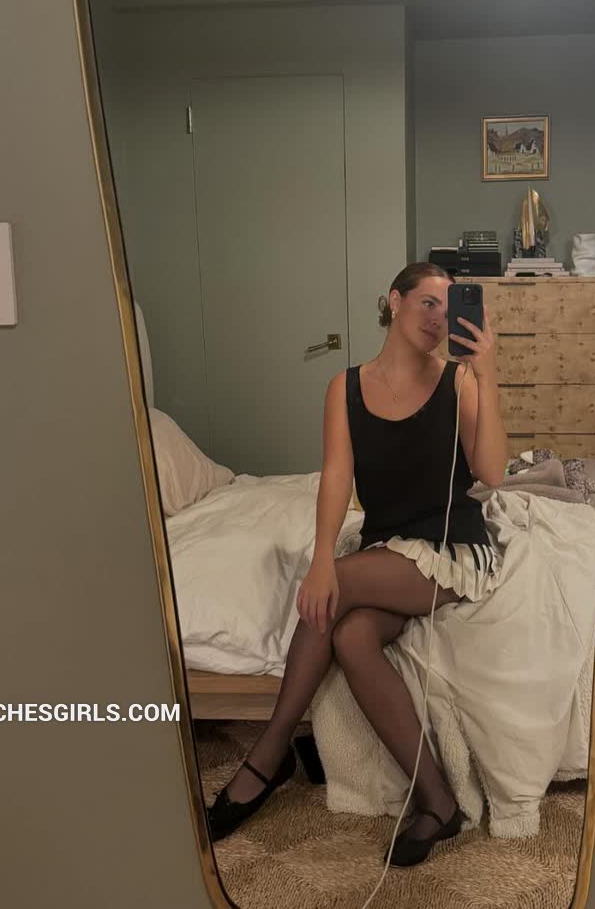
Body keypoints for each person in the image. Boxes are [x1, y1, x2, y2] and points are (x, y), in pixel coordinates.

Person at [207, 262, 509, 866]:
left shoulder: (458, 381)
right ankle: (437, 802)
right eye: (427, 302)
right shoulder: (344, 388)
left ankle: (269, 754)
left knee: (335, 589)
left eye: (449, 306)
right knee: (349, 634)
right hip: (385, 548)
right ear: (394, 302)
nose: (438, 318)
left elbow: (493, 473)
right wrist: (323, 554)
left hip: (450, 550)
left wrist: (487, 373)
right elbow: (337, 477)